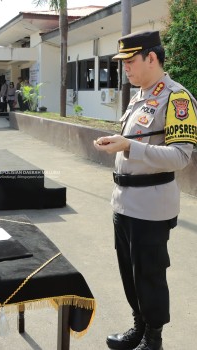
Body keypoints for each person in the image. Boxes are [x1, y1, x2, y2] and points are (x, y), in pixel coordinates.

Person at [94, 30, 197, 350]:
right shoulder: (139, 96)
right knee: (130, 273)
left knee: (150, 275)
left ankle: (154, 340)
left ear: (151, 58)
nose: (124, 68)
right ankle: (139, 328)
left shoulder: (177, 98)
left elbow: (181, 157)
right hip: (124, 202)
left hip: (151, 206)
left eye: (130, 61)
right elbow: (134, 143)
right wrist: (119, 144)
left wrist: (129, 147)